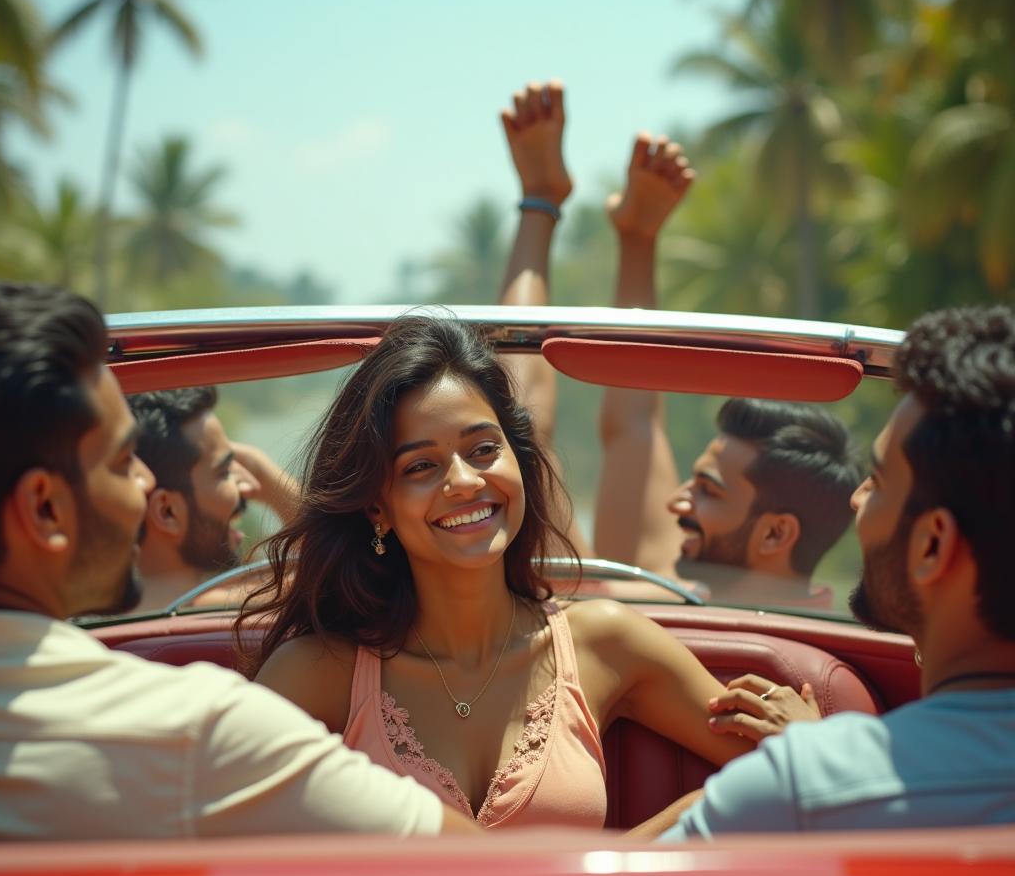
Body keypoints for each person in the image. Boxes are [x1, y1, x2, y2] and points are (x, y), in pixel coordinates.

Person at [242, 311, 796, 835]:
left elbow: (793, 773)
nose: (463, 482)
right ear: (377, 508)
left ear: (518, 461)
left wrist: (813, 741)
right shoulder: (320, 672)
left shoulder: (605, 642)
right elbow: (210, 834)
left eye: (483, 449)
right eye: (420, 466)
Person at [0, 280, 475, 840]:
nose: (145, 482)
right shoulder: (191, 734)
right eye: (125, 462)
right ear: (45, 509)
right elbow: (485, 869)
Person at [497, 81, 863, 607]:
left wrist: (539, 200)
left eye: (708, 490)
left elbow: (521, 426)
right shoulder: (664, 592)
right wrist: (639, 239)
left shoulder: (636, 611)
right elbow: (633, 425)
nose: (677, 501)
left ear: (776, 535)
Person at [661, 304, 1015, 838]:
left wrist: (811, 760)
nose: (856, 499)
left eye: (877, 481)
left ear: (933, 545)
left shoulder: (798, 787)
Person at [128, 387, 300, 611]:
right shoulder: (222, 606)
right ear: (167, 511)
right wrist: (260, 467)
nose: (250, 485)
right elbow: (339, 569)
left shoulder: (87, 619)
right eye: (225, 471)